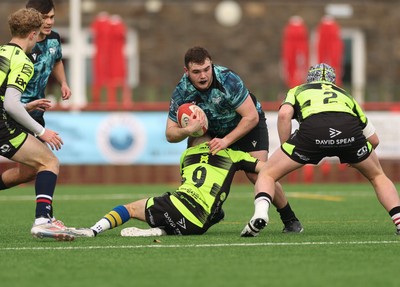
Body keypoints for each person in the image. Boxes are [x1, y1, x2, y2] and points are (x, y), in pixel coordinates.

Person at [241, 63, 400, 236]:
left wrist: (288, 148)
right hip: (349, 132)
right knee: (378, 176)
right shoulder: (346, 95)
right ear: (333, 81)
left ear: (309, 79)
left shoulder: (298, 90)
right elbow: (374, 140)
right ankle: (399, 220)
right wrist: (356, 156)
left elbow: (284, 114)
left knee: (267, 174)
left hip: (313, 132)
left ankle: (260, 214)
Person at [165, 46, 303, 233]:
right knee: (195, 160)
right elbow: (170, 134)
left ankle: (290, 219)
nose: (203, 76)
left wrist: (226, 141)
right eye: (196, 72)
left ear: (211, 64)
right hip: (213, 130)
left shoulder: (227, 80)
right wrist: (188, 130)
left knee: (260, 174)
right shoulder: (182, 91)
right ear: (186, 71)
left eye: (206, 69)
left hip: (247, 126)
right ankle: (198, 211)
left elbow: (251, 117)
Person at [68, 133, 268, 237]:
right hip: (199, 224)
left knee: (129, 209)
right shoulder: (233, 154)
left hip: (178, 209)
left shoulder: (187, 155)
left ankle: (93, 230)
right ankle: (162, 230)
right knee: (219, 213)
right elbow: (267, 169)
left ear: (191, 143)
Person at [0, 8, 74, 241]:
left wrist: (26, 106)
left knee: (32, 169)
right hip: (2, 126)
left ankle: (47, 219)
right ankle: (43, 221)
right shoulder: (23, 61)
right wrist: (42, 131)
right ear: (33, 35)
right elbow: (12, 104)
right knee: (49, 161)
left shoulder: (1, 52)